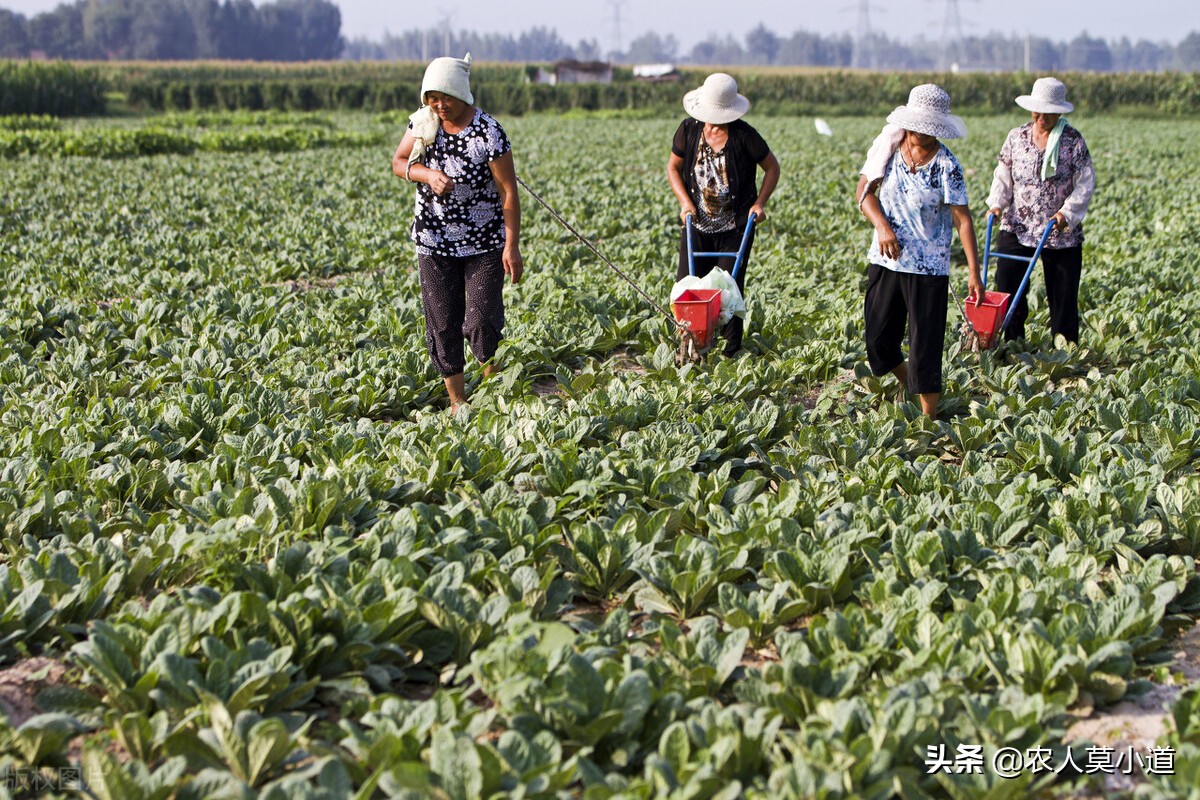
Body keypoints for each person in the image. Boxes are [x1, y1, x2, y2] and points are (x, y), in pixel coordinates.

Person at [392, 53, 523, 414]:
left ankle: (492, 381)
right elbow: (399, 162)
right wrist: (426, 175)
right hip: (434, 240)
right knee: (443, 319)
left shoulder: (488, 131)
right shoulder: (423, 123)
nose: (439, 105)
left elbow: (508, 191)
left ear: (462, 94)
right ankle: (457, 401)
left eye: (444, 97)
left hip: (483, 242)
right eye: (432, 98)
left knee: (481, 318)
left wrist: (511, 245)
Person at [855, 84, 984, 420]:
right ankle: (910, 382)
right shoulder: (890, 149)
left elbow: (962, 219)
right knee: (878, 340)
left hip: (929, 269)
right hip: (887, 261)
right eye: (916, 125)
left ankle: (927, 421)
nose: (919, 132)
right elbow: (864, 193)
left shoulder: (947, 166)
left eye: (928, 127)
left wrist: (974, 271)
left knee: (925, 346)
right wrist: (883, 227)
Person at [667, 73, 780, 357]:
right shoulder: (689, 131)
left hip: (735, 226)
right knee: (687, 287)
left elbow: (772, 168)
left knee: (729, 288)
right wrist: (685, 203)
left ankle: (729, 351)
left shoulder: (745, 136)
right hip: (697, 224)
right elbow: (673, 168)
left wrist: (760, 203)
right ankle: (690, 344)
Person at [986, 77, 1095, 344]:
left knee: (1063, 297)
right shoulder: (1017, 137)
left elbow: (1085, 183)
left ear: (1058, 112)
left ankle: (1065, 350)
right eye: (1037, 110)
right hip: (1017, 225)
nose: (1040, 117)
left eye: (1047, 112)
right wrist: (996, 204)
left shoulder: (1072, 141)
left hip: (1058, 232)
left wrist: (1066, 214)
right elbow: (1003, 174)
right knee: (1008, 287)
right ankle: (1011, 344)